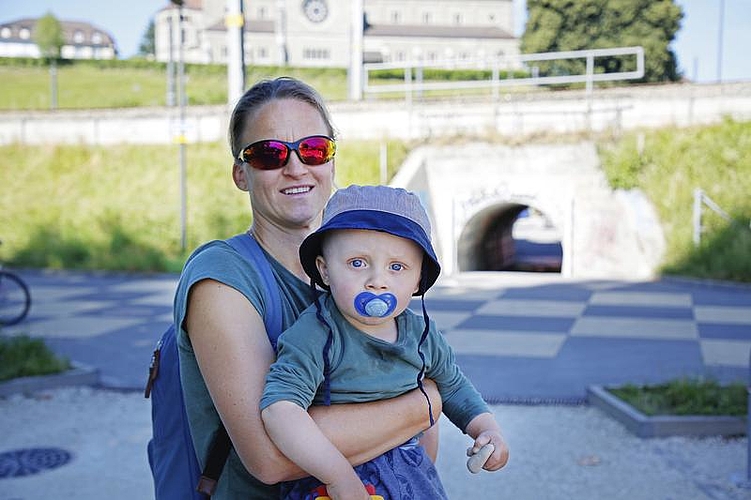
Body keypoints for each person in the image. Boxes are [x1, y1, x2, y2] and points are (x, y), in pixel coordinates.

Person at [173, 77, 443, 498]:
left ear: (332, 159)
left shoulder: (355, 273)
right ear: (240, 174)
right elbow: (270, 456)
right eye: (268, 154)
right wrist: (425, 404)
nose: (296, 167)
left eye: (314, 149)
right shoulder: (223, 278)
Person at [261, 184, 510, 500]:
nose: (377, 280)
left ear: (418, 279)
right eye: (357, 263)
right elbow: (280, 409)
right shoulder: (315, 333)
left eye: (396, 267)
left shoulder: (422, 335)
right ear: (324, 270)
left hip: (410, 474)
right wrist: (337, 476)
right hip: (331, 478)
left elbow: (454, 386)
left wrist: (488, 430)